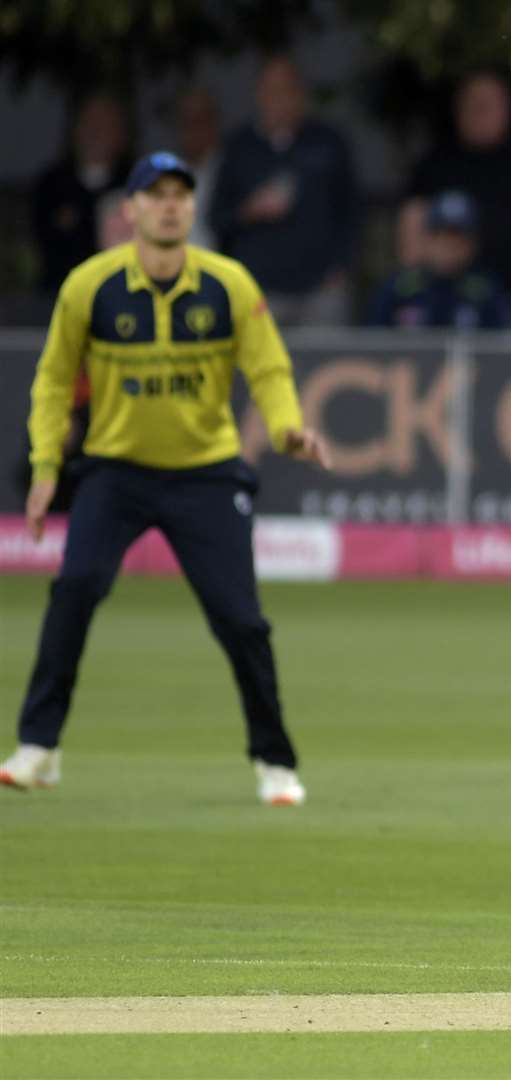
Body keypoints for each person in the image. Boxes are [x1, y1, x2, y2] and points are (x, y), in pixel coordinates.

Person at [0, 152, 331, 806]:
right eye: (155, 195)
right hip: (115, 470)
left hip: (205, 474)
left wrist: (288, 427)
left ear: (191, 207)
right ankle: (39, 749)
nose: (170, 205)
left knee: (241, 622)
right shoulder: (90, 286)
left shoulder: (228, 284)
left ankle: (274, 761)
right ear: (131, 211)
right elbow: (54, 382)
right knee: (75, 591)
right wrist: (44, 467)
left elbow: (267, 369)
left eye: (181, 194)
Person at [207, 55, 358, 326]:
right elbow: (217, 218)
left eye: (288, 90)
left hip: (320, 290)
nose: (280, 99)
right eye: (272, 91)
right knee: (261, 366)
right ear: (259, 94)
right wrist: (249, 210)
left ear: (301, 94)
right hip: (260, 290)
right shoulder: (239, 148)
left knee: (323, 364)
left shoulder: (328, 143)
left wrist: (341, 265)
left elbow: (352, 212)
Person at [400, 71, 511, 305]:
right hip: (443, 297)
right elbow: (412, 224)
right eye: (473, 104)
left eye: (488, 104)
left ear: (506, 109)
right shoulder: (436, 161)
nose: (480, 112)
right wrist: (416, 283)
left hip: (509, 294)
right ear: (458, 109)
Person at [31, 94, 132, 296]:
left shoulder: (136, 184)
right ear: (75, 130)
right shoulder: (51, 185)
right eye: (90, 122)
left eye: (105, 124)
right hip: (61, 296)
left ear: (120, 134)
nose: (96, 132)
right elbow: (44, 248)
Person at [366, 191, 511, 330]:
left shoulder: (486, 292)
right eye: (441, 236)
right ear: (427, 239)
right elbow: (372, 342)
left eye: (458, 238)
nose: (449, 246)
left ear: (472, 244)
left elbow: (506, 343)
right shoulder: (398, 290)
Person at [173, 87, 224, 250]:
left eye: (200, 119)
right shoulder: (167, 176)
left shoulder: (229, 171)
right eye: (186, 121)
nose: (193, 128)